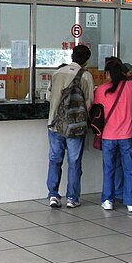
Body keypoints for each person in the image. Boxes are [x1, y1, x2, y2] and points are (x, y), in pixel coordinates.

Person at [46, 44, 94, 209]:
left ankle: (53, 195)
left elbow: (48, 96)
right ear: (87, 60)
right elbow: (88, 103)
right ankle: (72, 198)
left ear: (72, 56)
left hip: (54, 124)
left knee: (54, 160)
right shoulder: (85, 75)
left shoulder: (57, 73)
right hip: (75, 127)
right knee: (74, 162)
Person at [93, 56, 132, 213]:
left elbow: (95, 109)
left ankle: (108, 200)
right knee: (129, 169)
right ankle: (131, 203)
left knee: (109, 168)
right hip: (128, 134)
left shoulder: (101, 90)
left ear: (108, 73)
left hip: (108, 135)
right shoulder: (131, 86)